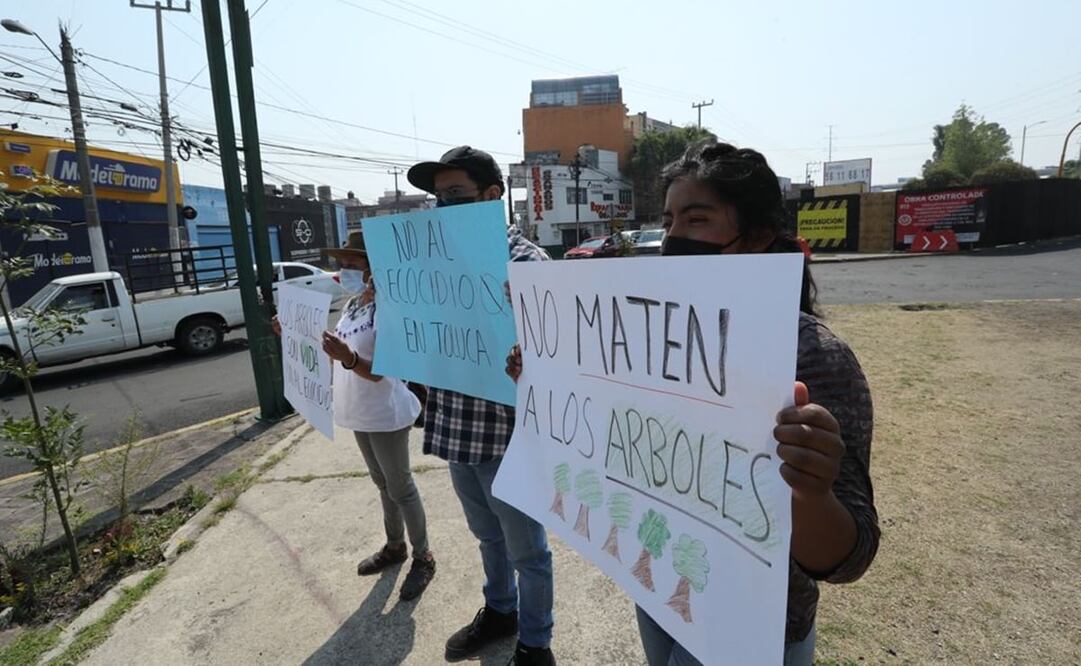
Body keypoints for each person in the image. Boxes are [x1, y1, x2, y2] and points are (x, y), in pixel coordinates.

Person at [506, 142, 880, 666]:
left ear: (755, 238)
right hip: (661, 585)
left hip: (752, 626)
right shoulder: (645, 334)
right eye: (669, 219)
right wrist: (545, 377)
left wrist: (812, 492)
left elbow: (847, 558)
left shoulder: (815, 361)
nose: (675, 237)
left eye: (697, 219)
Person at [405, 146, 557, 666]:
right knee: (486, 536)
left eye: (455, 195)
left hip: (509, 435)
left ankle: (536, 645)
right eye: (437, 198)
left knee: (528, 551)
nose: (442, 206)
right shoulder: (436, 263)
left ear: (492, 196)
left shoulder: (527, 263)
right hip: (457, 428)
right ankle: (500, 611)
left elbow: (559, 357)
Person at [273, 230, 436, 602]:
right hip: (359, 409)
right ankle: (395, 546)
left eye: (353, 264)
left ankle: (423, 555)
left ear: (372, 269)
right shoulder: (351, 307)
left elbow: (378, 368)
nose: (344, 270)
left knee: (401, 486)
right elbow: (333, 348)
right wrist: (294, 333)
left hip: (387, 410)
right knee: (382, 484)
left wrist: (346, 357)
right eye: (342, 264)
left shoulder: (389, 308)